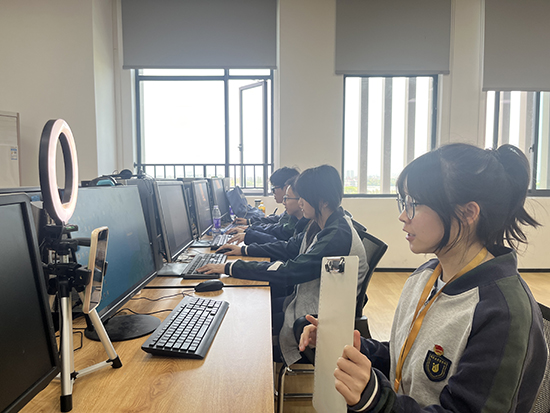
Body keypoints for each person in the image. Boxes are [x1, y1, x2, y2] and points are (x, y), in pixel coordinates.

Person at [299, 144, 547, 412]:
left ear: (468, 213)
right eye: (403, 203)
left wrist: (375, 398)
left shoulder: (503, 312)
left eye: (413, 204)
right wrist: (349, 345)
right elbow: (406, 360)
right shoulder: (425, 276)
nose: (402, 216)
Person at [199, 164, 369, 366]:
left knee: (246, 322)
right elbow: (289, 247)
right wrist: (244, 251)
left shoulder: (336, 236)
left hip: (315, 320)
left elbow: (291, 271)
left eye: (304, 197)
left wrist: (231, 268)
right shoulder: (320, 225)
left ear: (323, 201)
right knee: (250, 309)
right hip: (307, 304)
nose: (300, 202)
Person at [224, 175, 310, 247]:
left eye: (274, 188)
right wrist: (250, 228)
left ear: (285, 187)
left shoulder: (305, 224)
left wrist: (249, 234)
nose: (273, 192)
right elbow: (277, 226)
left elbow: (283, 242)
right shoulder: (297, 219)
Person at [231, 166, 299, 228]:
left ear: (286, 188)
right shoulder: (291, 211)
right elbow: (277, 219)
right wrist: (249, 222)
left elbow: (279, 230)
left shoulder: (295, 213)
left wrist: (250, 230)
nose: (273, 192)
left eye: (273, 189)